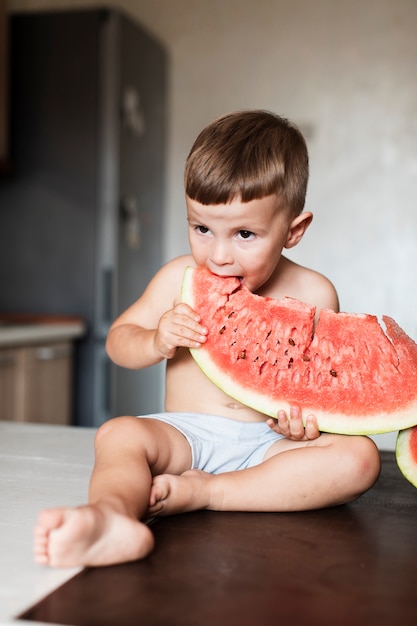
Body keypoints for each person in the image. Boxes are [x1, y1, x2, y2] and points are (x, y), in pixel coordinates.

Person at [33, 110, 381, 568]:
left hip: (270, 446)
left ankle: (209, 493)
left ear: (292, 230)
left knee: (359, 458)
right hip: (187, 436)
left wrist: (306, 425)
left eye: (244, 234)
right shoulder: (178, 277)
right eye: (202, 228)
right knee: (119, 434)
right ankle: (111, 519)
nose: (218, 255)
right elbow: (119, 341)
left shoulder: (315, 294)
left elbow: (321, 390)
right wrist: (156, 340)